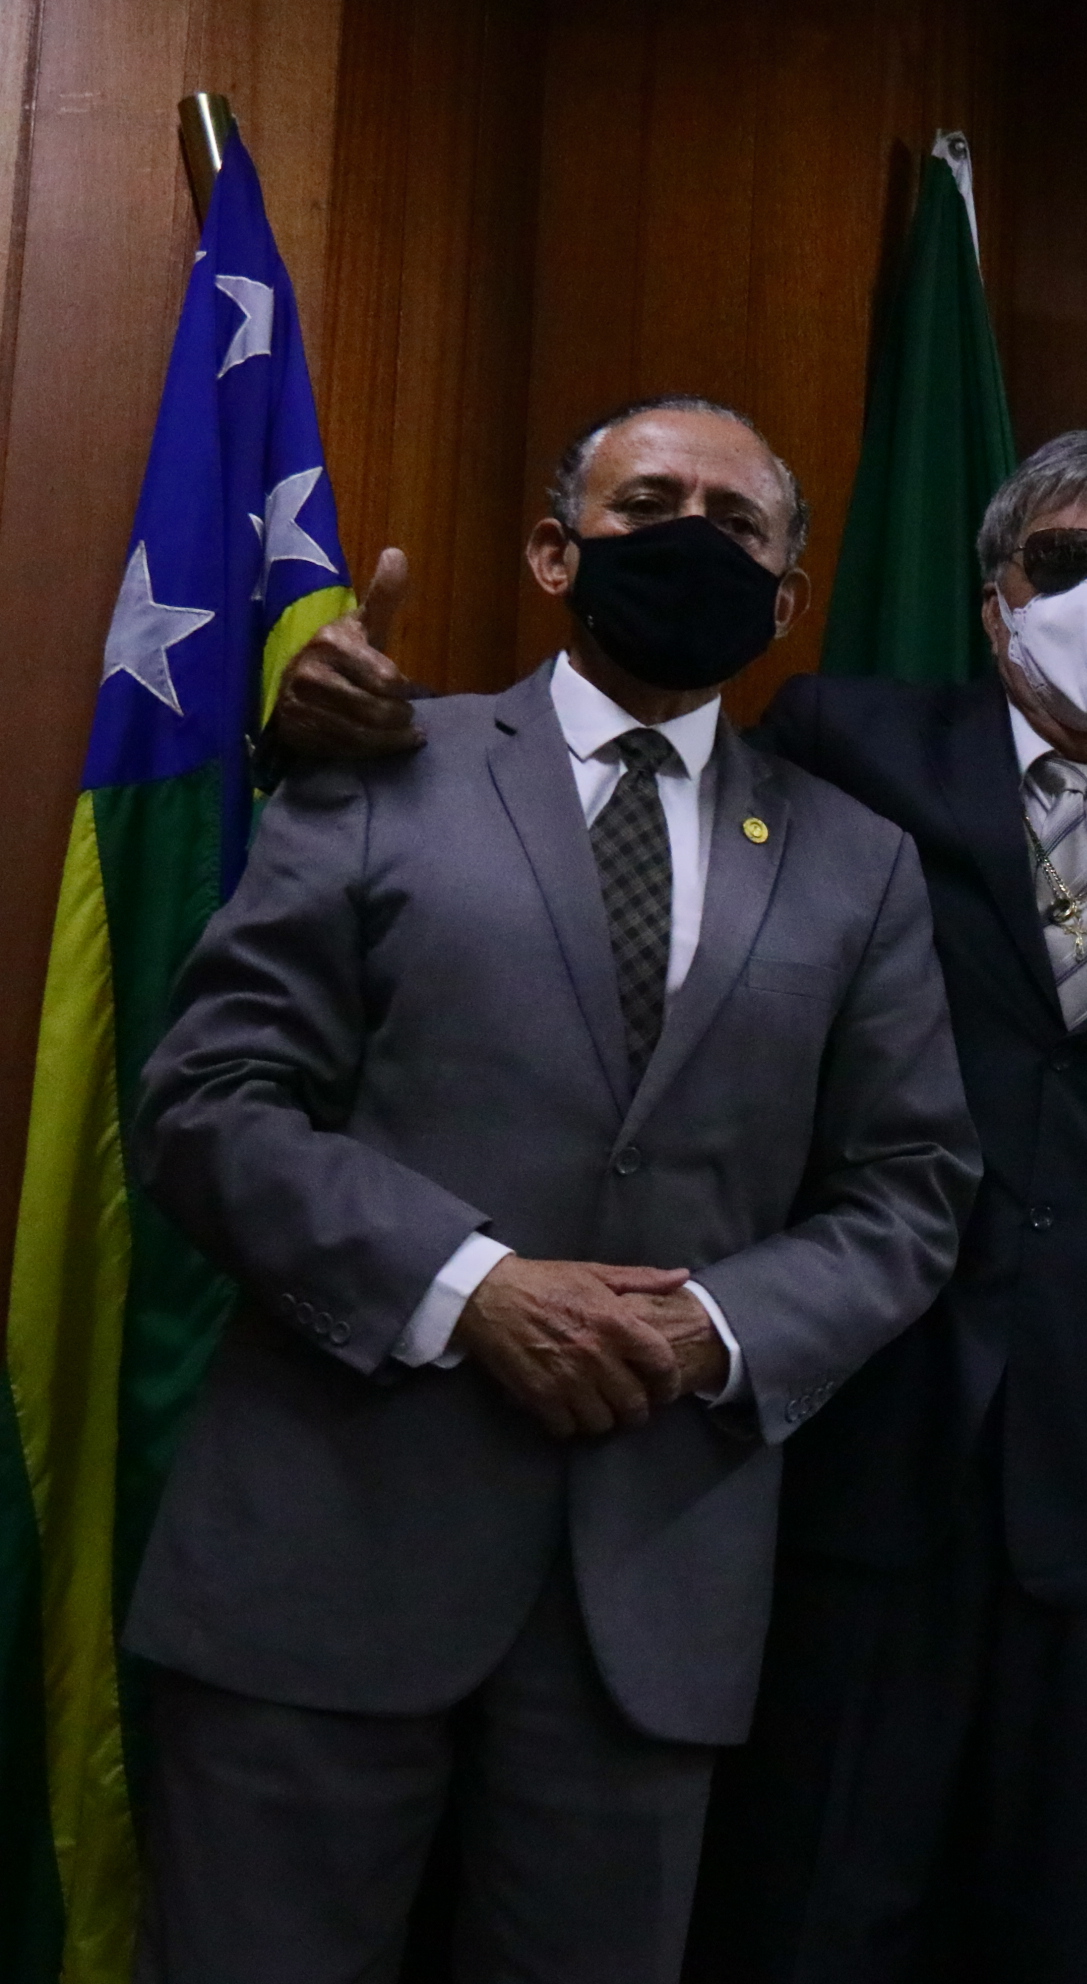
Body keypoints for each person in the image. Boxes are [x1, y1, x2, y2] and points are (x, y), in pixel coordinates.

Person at [269, 424, 1087, 1984]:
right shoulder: (847, 744)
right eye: (1061, 561)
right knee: (817, 1911)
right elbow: (601, 794)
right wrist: (323, 721)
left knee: (1067, 1923)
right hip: (859, 1445)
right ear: (993, 600)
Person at [126, 396, 978, 1981]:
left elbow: (913, 1183)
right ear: (552, 551)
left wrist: (716, 1328)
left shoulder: (858, 862)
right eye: (647, 505)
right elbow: (209, 1103)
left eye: (736, 525)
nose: (690, 540)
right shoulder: (379, 764)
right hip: (320, 1563)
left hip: (646, 1605)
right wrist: (472, 1290)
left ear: (788, 598)